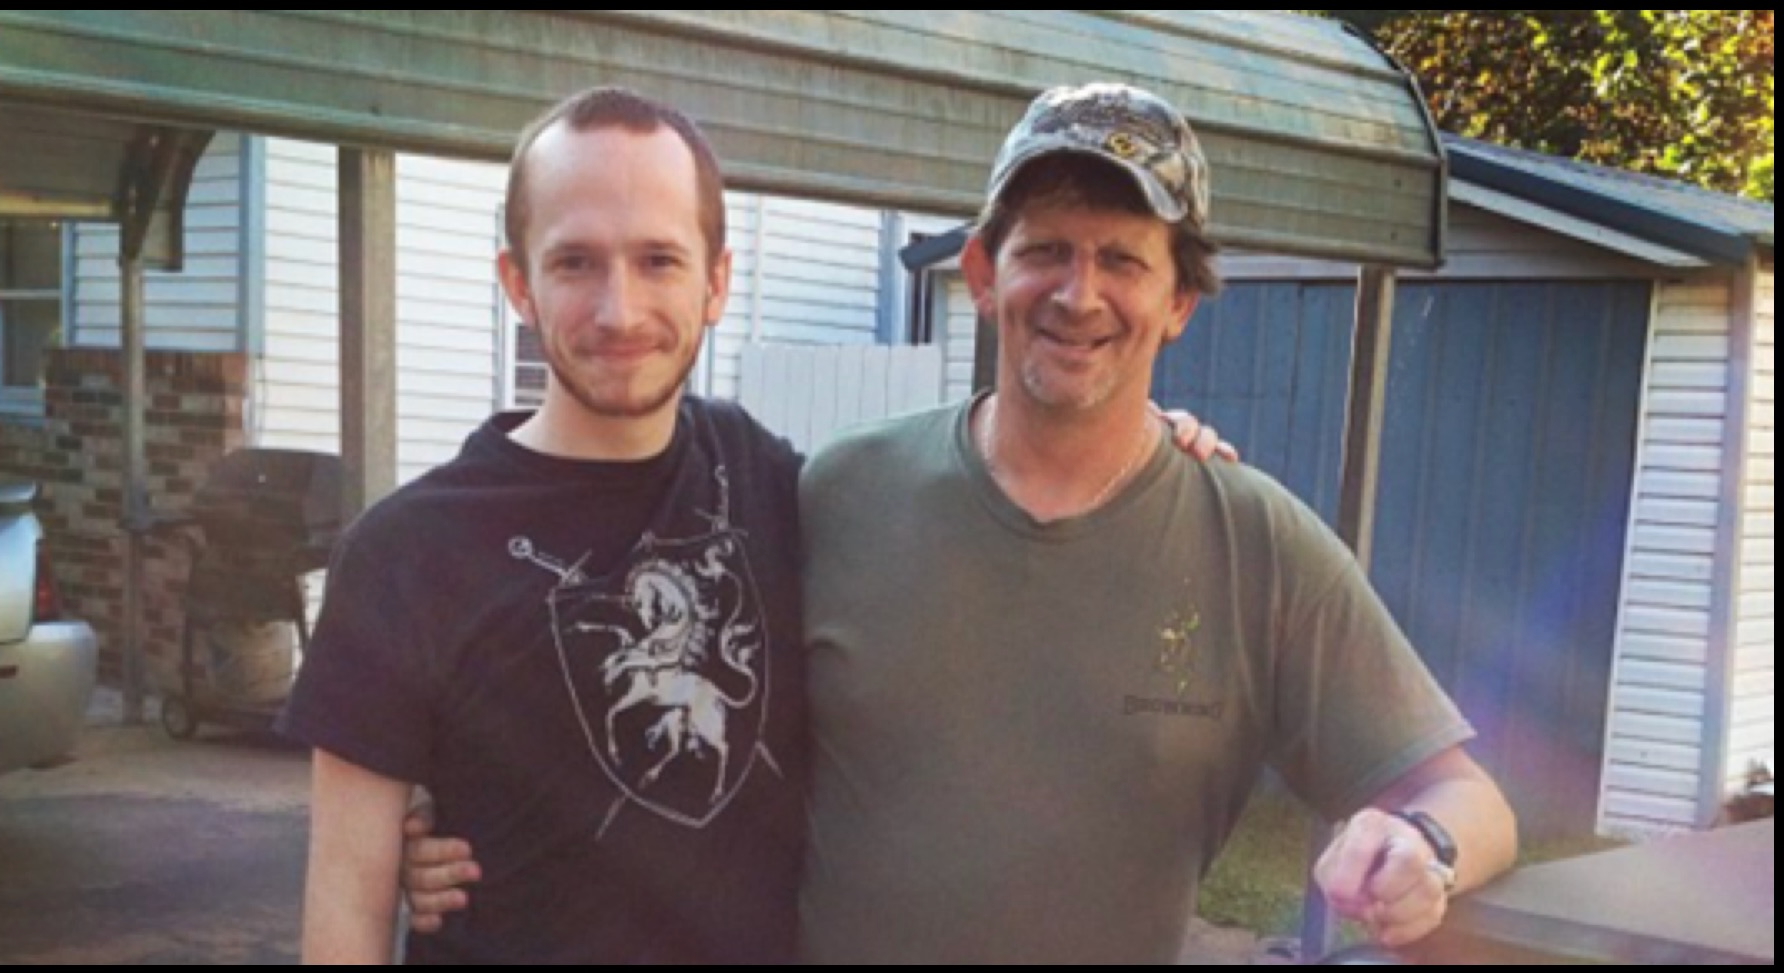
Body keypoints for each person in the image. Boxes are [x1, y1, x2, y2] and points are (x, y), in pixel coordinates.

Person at [289, 85, 1228, 965]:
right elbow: (345, 907)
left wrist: (1144, 446)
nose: (621, 310)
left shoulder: (776, 481)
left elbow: (987, 515)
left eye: (659, 259)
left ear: (717, 282)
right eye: (576, 262)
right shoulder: (403, 555)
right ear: (517, 281)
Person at [792, 83, 1517, 963]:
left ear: (1180, 301)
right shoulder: (842, 490)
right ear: (984, 273)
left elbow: (1464, 793)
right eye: (1047, 250)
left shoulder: (1255, 543)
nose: (1079, 293)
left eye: (1124, 261)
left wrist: (1424, 848)